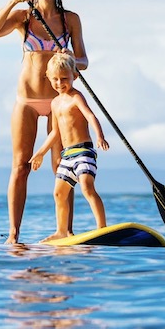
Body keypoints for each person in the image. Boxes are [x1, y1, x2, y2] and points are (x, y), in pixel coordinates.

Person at [0, 0, 88, 244]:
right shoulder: (24, 17)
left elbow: (84, 61)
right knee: (21, 165)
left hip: (60, 102)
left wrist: (70, 59)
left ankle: (65, 231)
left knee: (63, 165)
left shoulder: (71, 20)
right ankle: (14, 235)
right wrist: (12, 2)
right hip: (27, 101)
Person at [30, 52, 109, 241]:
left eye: (64, 78)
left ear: (75, 76)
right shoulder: (55, 103)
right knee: (58, 193)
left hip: (83, 151)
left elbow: (90, 116)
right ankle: (61, 231)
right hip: (67, 156)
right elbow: (54, 133)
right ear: (48, 78)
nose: (59, 83)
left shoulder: (76, 97)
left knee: (87, 187)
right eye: (55, 79)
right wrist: (40, 153)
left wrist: (99, 136)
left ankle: (102, 228)